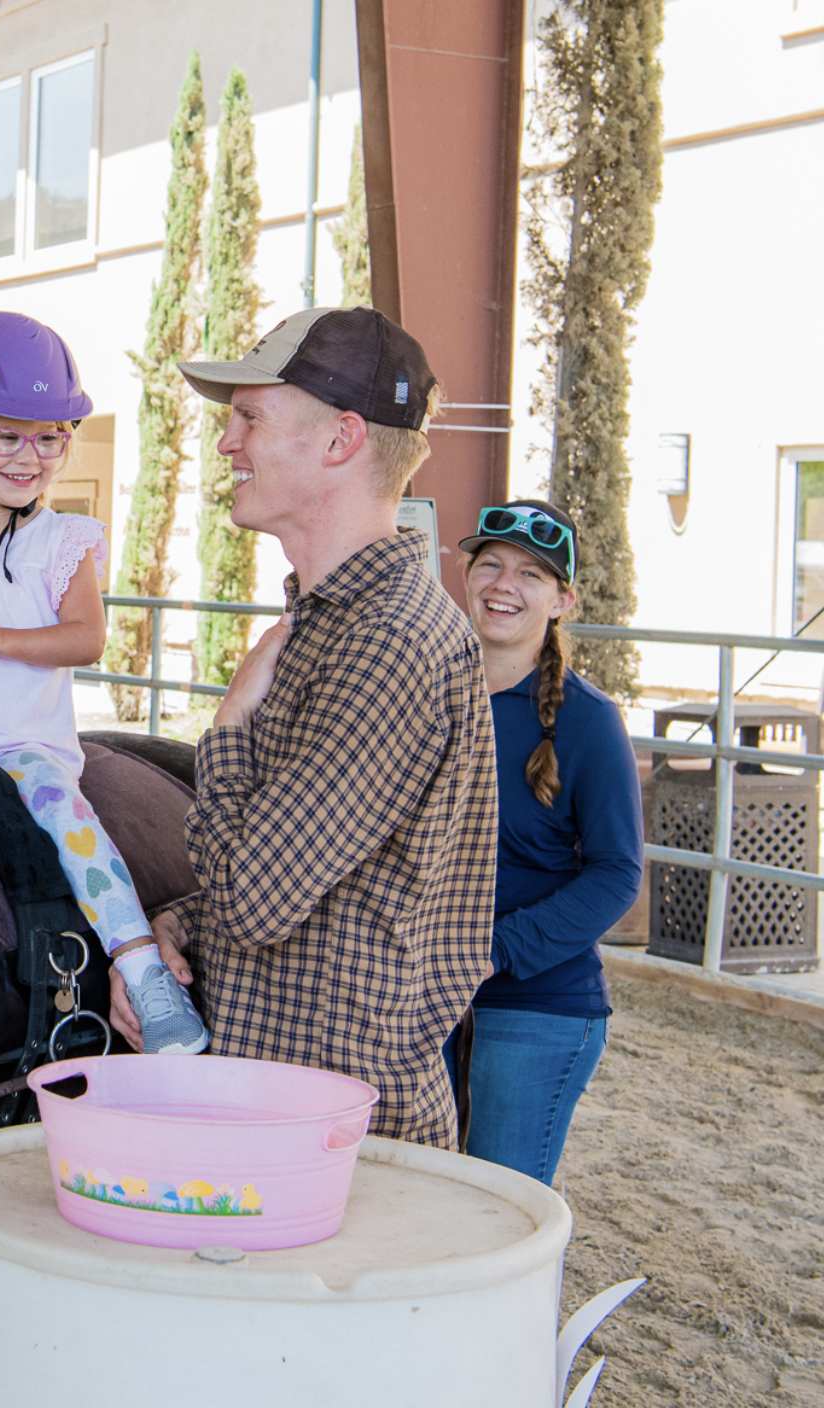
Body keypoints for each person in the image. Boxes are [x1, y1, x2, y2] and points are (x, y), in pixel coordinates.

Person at [130, 306, 497, 1146]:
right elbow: (325, 891)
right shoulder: (330, 627)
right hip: (281, 1107)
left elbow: (259, 897)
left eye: (250, 417)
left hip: (333, 1135)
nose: (228, 443)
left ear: (340, 441)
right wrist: (178, 930)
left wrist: (226, 731)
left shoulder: (390, 639)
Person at [0, 311, 207, 1055]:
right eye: (6, 435)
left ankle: (140, 964)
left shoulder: (65, 541)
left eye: (50, 436)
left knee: (70, 822)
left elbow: (87, 638)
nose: (31, 456)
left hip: (22, 747)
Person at [450, 500, 643, 1184]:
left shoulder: (588, 723)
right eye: (491, 565)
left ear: (562, 599)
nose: (504, 584)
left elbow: (618, 873)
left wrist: (495, 951)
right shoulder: (427, 694)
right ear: (467, 577)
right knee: (417, 1195)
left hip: (534, 1003)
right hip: (420, 992)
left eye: (531, 574)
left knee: (500, 1209)